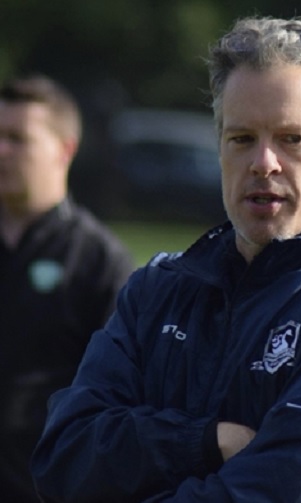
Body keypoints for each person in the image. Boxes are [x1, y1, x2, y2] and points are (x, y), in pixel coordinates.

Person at [31, 16, 301, 502]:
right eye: (242, 139)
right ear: (220, 146)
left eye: (292, 139)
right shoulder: (157, 291)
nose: (264, 162)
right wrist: (204, 442)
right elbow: (63, 459)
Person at [0, 75, 135, 502]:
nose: (1, 150)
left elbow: (122, 402)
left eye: (17, 138)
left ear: (65, 150)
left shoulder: (99, 262)